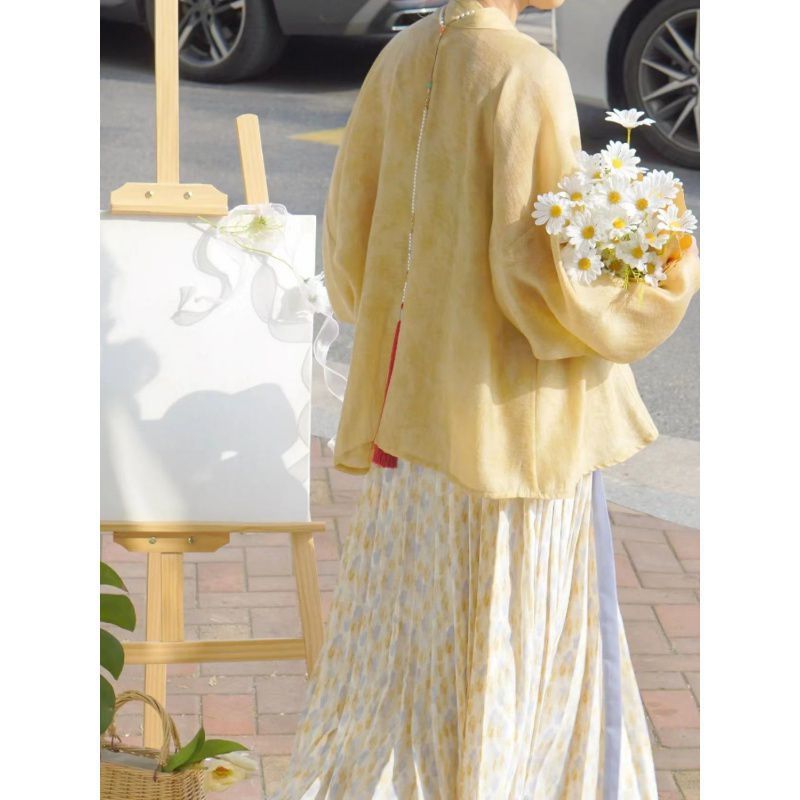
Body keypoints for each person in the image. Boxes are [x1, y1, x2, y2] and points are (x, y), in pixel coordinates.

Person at [272, 0, 700, 797]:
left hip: (409, 407)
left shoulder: (401, 56)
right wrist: (660, 272)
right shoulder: (527, 73)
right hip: (511, 421)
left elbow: (349, 250)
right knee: (509, 629)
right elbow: (541, 279)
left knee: (416, 642)